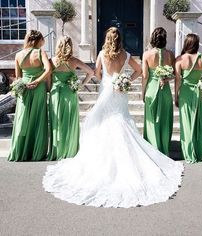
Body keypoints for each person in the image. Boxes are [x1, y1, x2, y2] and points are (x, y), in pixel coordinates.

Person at [43, 27, 184, 208]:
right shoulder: (125, 54)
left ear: (107, 39)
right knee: (121, 119)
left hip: (107, 89)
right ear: (120, 39)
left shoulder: (102, 53)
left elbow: (98, 73)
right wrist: (126, 80)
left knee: (103, 121)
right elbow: (140, 70)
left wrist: (108, 80)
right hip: (120, 90)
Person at [47, 36, 94, 161]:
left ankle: (57, 150)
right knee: (69, 121)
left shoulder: (52, 61)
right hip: (70, 93)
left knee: (57, 121)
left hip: (56, 94)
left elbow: (48, 80)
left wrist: (50, 89)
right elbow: (91, 72)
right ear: (70, 46)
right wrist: (82, 84)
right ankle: (70, 150)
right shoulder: (74, 61)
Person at [8, 30, 51, 161]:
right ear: (38, 40)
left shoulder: (18, 55)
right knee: (38, 118)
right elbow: (49, 70)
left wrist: (22, 86)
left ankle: (21, 152)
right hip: (38, 88)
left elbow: (18, 77)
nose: (43, 42)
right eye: (42, 39)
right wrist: (38, 81)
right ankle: (36, 152)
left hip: (24, 88)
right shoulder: (40, 52)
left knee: (23, 118)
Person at [175, 33, 202, 163]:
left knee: (187, 124)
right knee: (200, 123)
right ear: (197, 44)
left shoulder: (179, 59)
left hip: (186, 93)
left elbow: (177, 81)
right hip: (201, 92)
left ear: (186, 44)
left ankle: (190, 155)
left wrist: (175, 96)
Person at [142, 27, 175, 156]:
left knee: (151, 121)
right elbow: (174, 75)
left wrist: (143, 92)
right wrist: (166, 79)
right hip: (165, 90)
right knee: (165, 120)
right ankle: (164, 148)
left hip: (151, 89)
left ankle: (152, 150)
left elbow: (145, 76)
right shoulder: (170, 54)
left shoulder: (147, 54)